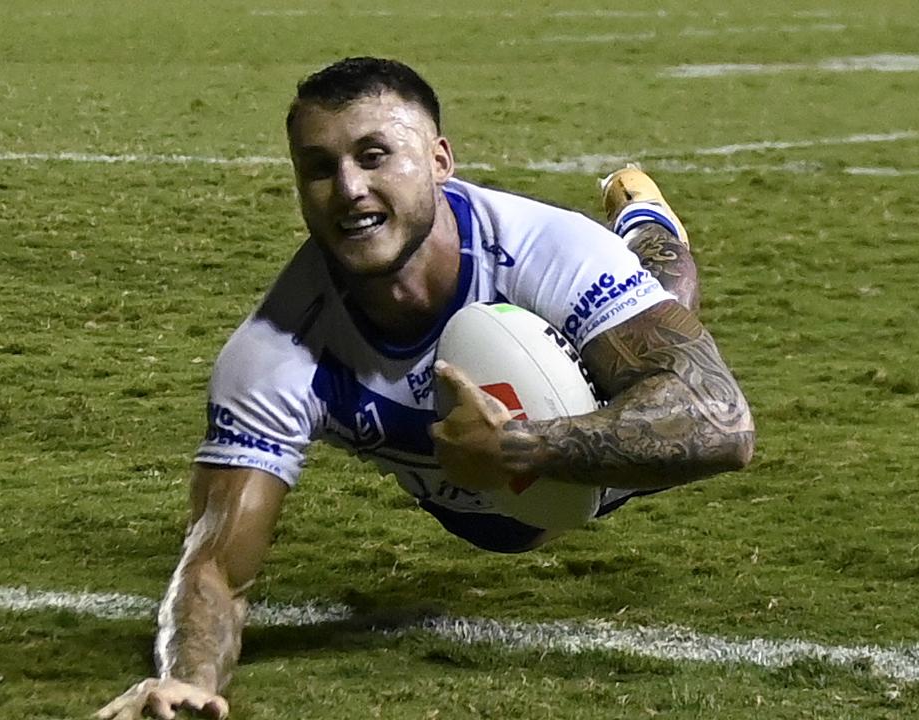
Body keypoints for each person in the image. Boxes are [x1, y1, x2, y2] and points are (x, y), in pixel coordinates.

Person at [97, 56, 754, 720]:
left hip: (587, 443)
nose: (348, 187)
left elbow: (722, 424)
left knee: (663, 297)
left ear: (440, 160)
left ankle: (647, 226)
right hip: (481, 519)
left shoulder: (546, 250)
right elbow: (213, 567)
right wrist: (187, 679)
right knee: (521, 505)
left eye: (374, 156)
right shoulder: (274, 354)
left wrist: (521, 448)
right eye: (319, 168)